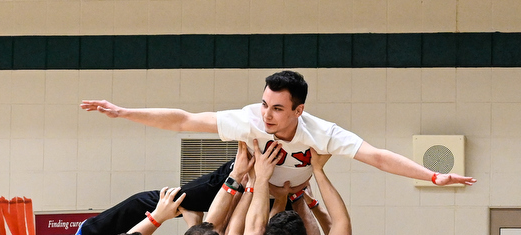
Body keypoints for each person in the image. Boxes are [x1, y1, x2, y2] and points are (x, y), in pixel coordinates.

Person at [80, 70, 476, 190]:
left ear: (299, 111)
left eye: (278, 109)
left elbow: (376, 156)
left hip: (293, 195)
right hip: (250, 181)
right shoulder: (251, 118)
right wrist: (124, 112)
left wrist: (434, 174)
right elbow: (184, 120)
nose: (267, 115)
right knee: (168, 199)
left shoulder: (321, 132)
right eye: (265, 104)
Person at [60, 160, 234, 235]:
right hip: (241, 171)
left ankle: (88, 233)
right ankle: (88, 233)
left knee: (162, 203)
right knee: (171, 201)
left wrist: (161, 218)